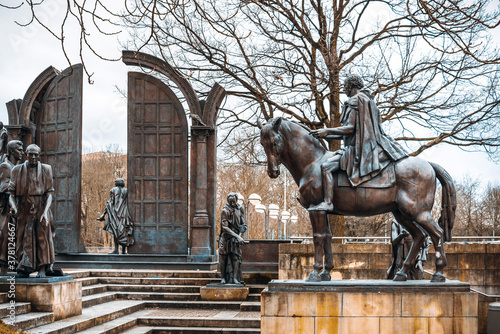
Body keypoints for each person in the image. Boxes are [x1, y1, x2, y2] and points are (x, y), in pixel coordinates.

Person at [309, 74, 408, 211]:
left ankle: (328, 202)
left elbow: (349, 128)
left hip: (357, 150)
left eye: (345, 87)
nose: (344, 90)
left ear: (351, 86)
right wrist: (327, 135)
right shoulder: (369, 101)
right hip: (371, 147)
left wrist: (327, 131)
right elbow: (354, 132)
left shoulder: (354, 101)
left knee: (326, 167)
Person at [9, 144, 55, 278]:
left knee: (42, 238)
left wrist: (46, 212)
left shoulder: (47, 169)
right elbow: (11, 193)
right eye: (30, 154)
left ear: (39, 155)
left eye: (36, 154)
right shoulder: (17, 170)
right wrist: (15, 208)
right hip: (23, 207)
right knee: (22, 238)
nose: (33, 157)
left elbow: (49, 194)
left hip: (40, 206)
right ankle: (24, 267)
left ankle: (42, 267)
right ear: (26, 154)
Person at [0, 141, 23, 275]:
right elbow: (4, 187)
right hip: (8, 210)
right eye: (19, 150)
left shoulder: (18, 167)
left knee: (16, 238)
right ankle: (5, 268)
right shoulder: (6, 166)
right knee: (7, 236)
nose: (22, 152)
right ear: (12, 151)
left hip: (18, 209)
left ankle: (14, 265)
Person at [97, 178, 134, 254]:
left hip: (115, 214)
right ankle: (123, 251)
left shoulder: (113, 190)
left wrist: (103, 215)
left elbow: (110, 203)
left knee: (115, 231)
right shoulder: (126, 191)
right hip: (124, 213)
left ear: (116, 183)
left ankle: (116, 250)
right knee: (124, 231)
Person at [219, 193, 246, 284]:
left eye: (234, 201)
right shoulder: (225, 211)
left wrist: (240, 236)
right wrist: (237, 236)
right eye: (230, 202)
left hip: (236, 237)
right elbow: (225, 228)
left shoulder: (240, 208)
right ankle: (223, 278)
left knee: (236, 257)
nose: (232, 203)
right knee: (223, 258)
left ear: (236, 200)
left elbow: (243, 225)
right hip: (226, 237)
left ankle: (235, 278)